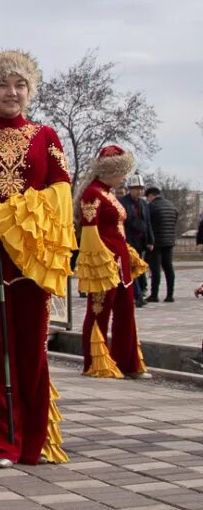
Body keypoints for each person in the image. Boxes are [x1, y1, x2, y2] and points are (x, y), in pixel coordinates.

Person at [0, 50, 75, 468]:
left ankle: (33, 441)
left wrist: (13, 216)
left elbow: (61, 191)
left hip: (32, 259)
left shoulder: (46, 135)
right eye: (3, 85)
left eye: (20, 85)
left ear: (30, 91)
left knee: (31, 348)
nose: (12, 92)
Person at [76, 146, 150, 379]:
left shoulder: (109, 194)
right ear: (110, 171)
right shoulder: (92, 194)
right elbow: (89, 232)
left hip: (121, 260)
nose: (126, 177)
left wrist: (126, 251)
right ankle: (94, 362)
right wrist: (99, 261)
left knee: (126, 309)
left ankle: (126, 362)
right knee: (99, 310)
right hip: (104, 262)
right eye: (122, 172)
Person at [120, 175, 153, 307]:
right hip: (128, 240)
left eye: (140, 189)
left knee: (138, 266)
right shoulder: (123, 202)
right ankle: (138, 295)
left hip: (140, 241)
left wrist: (150, 240)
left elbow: (148, 222)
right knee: (130, 267)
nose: (138, 192)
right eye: (135, 189)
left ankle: (138, 292)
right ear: (130, 189)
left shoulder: (144, 204)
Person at [145, 187, 179, 302]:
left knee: (156, 270)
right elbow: (174, 221)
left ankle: (154, 295)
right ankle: (170, 295)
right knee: (169, 268)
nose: (147, 200)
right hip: (169, 241)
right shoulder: (171, 205)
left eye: (147, 197)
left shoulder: (151, 207)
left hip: (156, 242)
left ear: (151, 195)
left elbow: (147, 224)